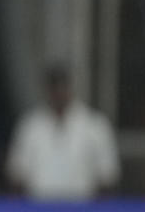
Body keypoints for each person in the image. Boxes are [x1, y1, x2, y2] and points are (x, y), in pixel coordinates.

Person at [7, 64, 120, 200]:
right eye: (54, 87)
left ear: (70, 87)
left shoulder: (95, 125)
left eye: (62, 86)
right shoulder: (30, 126)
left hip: (84, 211)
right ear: (47, 89)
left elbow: (108, 177)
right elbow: (17, 176)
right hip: (39, 211)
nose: (59, 92)